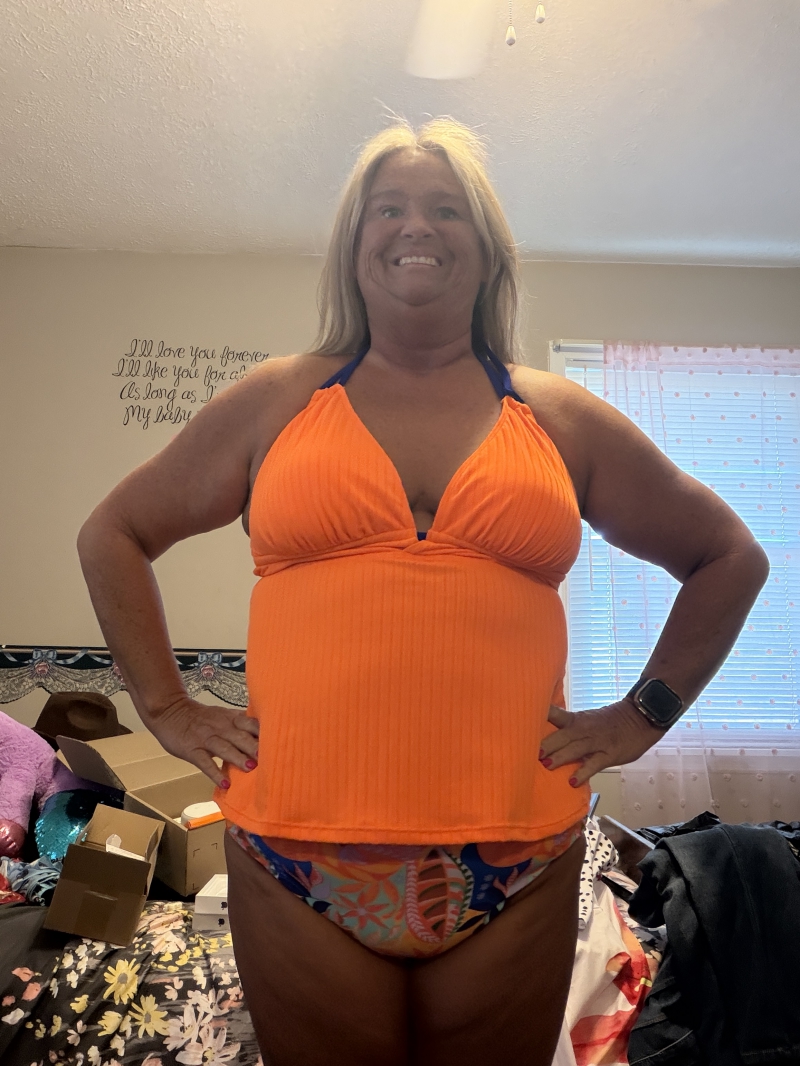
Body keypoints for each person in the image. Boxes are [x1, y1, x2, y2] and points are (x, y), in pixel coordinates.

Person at [77, 118, 768, 1065]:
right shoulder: (278, 399)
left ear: (487, 250)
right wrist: (165, 706)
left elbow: (729, 557)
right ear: (353, 245)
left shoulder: (558, 415)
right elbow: (113, 534)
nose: (417, 226)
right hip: (295, 853)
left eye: (448, 209)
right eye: (388, 208)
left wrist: (640, 716)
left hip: (519, 854)